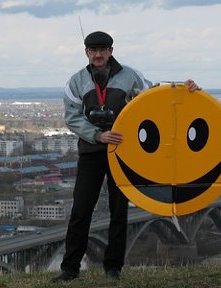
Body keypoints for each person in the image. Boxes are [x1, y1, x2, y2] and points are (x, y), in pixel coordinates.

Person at [52, 31, 200, 282]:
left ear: (111, 51)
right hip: (92, 151)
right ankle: (70, 269)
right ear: (86, 52)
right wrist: (98, 135)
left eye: (103, 50)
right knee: (81, 210)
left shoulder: (130, 76)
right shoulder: (75, 82)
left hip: (124, 153)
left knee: (118, 211)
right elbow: (72, 118)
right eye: (93, 50)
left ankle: (113, 267)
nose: (98, 55)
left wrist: (187, 89)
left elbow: (155, 95)